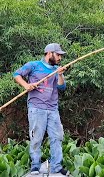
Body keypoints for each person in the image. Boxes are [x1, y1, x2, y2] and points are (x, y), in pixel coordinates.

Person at [13, 43, 69, 176]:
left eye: (61, 55)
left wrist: (60, 75)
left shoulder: (56, 70)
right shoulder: (34, 65)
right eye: (58, 55)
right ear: (49, 53)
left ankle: (56, 166)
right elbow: (16, 74)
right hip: (36, 108)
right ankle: (35, 165)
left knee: (57, 137)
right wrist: (26, 85)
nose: (60, 58)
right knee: (36, 137)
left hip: (53, 108)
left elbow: (61, 87)